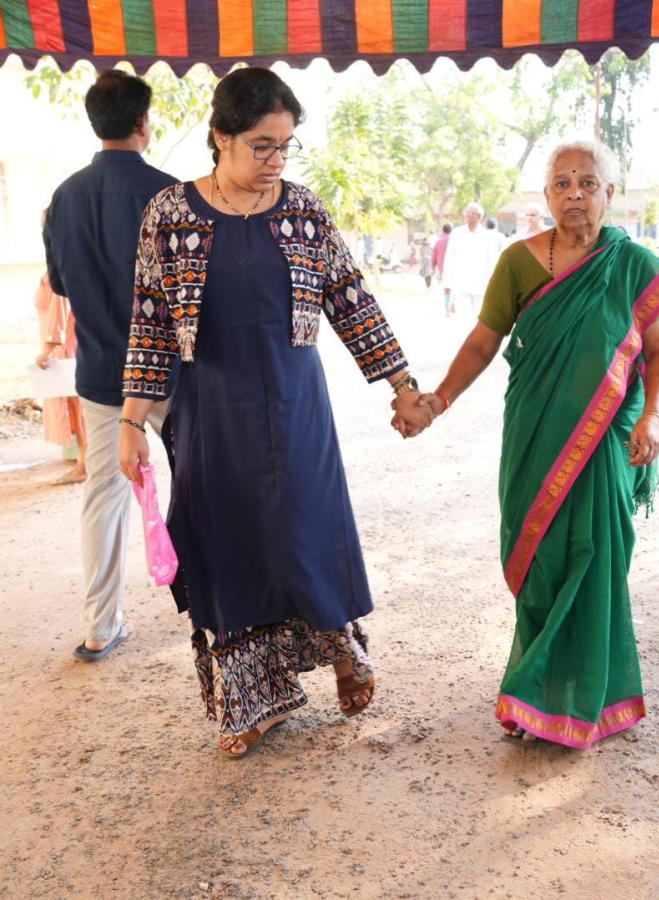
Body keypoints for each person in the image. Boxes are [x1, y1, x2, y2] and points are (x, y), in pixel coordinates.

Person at [118, 67, 432, 759]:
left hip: (296, 406)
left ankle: (343, 649)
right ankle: (251, 701)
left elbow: (352, 300)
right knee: (228, 545)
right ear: (219, 137)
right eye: (262, 145)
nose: (276, 161)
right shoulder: (169, 216)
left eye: (286, 146)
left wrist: (401, 384)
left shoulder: (303, 211)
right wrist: (131, 422)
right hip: (209, 413)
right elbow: (149, 324)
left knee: (306, 532)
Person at [415, 141, 659, 748]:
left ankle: (574, 697)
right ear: (545, 196)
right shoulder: (518, 262)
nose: (574, 194)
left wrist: (657, 418)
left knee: (595, 556)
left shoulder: (633, 265)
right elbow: (484, 342)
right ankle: (539, 688)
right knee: (537, 559)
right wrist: (437, 400)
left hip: (607, 442)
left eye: (588, 183)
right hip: (534, 432)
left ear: (609, 195)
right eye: (561, 183)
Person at [43, 70, 176, 662]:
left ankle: (100, 626)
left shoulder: (63, 199)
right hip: (175, 374)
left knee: (103, 494)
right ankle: (222, 615)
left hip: (101, 375)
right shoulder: (174, 195)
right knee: (203, 480)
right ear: (143, 125)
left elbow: (63, 284)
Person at [32, 271, 88, 484]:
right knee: (74, 404)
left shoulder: (58, 271)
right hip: (65, 343)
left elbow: (60, 309)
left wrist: (48, 348)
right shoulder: (53, 268)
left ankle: (84, 465)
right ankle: (82, 460)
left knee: (76, 404)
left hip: (66, 345)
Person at [442, 202, 500, 314]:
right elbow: (450, 257)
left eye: (470, 213)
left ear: (479, 217)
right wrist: (447, 282)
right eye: (466, 212)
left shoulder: (487, 236)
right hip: (461, 284)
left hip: (481, 285)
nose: (467, 215)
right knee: (464, 319)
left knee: (480, 317)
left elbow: (492, 260)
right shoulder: (457, 233)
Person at [431, 223, 454, 316]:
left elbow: (433, 258)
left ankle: (447, 310)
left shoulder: (438, 242)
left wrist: (433, 268)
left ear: (443, 230)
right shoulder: (456, 241)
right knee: (455, 288)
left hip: (443, 270)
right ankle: (453, 304)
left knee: (446, 290)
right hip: (455, 269)